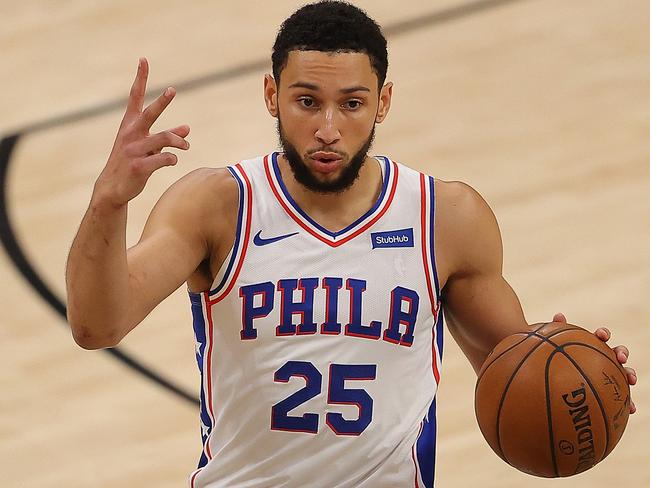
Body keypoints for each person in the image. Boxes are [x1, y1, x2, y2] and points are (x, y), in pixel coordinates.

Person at [65, 1, 637, 487]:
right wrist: (107, 204)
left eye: (353, 103)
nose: (329, 129)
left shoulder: (446, 217)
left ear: (383, 102)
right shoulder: (217, 206)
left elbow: (512, 364)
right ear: (272, 95)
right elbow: (98, 325)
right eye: (307, 101)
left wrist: (584, 377)